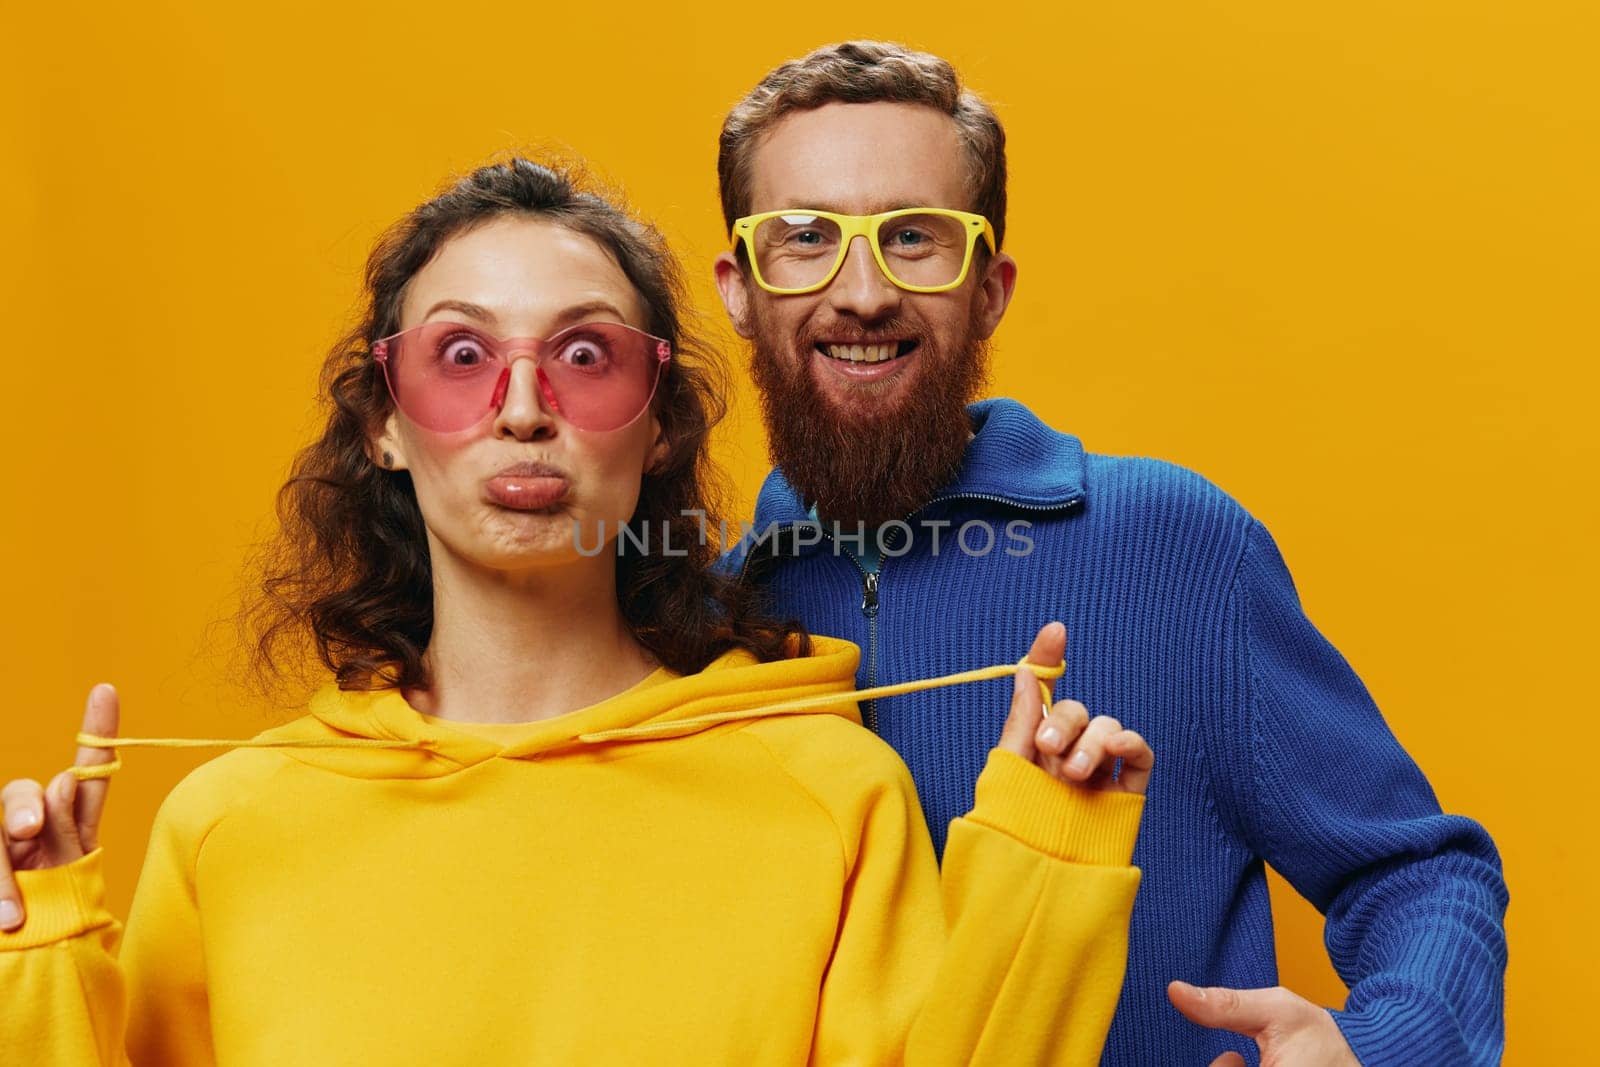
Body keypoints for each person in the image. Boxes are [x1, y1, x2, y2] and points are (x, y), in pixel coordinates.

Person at [0, 157, 1153, 1066]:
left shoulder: (829, 791)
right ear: (381, 423)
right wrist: (34, 959)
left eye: (584, 356)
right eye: (460, 354)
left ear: (658, 426)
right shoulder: (228, 826)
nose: (520, 408)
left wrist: (1044, 868)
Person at [713, 41, 1509, 1067]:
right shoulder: (704, 625)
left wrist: (1376, 1050)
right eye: (803, 238)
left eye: (915, 239)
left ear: (990, 289)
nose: (860, 290)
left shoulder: (1179, 548)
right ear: (738, 287)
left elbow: (1421, 874)